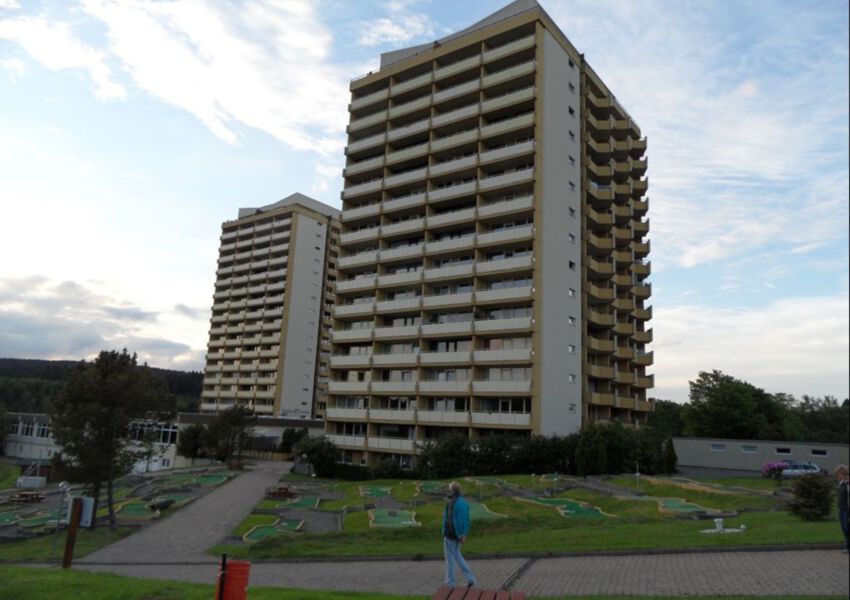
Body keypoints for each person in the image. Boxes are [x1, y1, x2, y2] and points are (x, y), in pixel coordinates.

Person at [442, 481, 476, 588]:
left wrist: (457, 535)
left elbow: (450, 521)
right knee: (458, 556)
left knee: (450, 560)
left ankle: (450, 583)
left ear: (451, 490)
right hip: (460, 535)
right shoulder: (464, 502)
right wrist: (463, 535)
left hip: (451, 535)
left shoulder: (451, 503)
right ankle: (470, 578)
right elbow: (467, 520)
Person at [835, 465, 849, 553]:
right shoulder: (841, 484)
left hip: (847, 509)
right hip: (841, 509)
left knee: (847, 528)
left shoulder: (847, 484)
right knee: (844, 528)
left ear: (844, 474)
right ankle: (848, 547)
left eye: (838, 474)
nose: (837, 477)